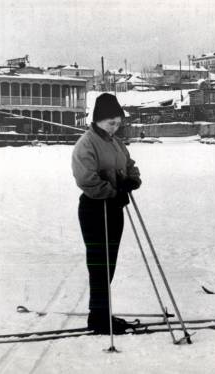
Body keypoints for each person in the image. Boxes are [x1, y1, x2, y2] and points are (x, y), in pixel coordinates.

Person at [71, 93, 141, 333]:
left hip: (113, 208)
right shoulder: (86, 143)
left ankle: (102, 313)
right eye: (111, 123)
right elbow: (86, 179)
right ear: (98, 120)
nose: (115, 127)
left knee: (109, 262)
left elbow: (128, 164)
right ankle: (98, 317)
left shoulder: (115, 142)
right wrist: (112, 192)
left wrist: (131, 180)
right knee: (99, 263)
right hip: (94, 208)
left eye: (118, 123)